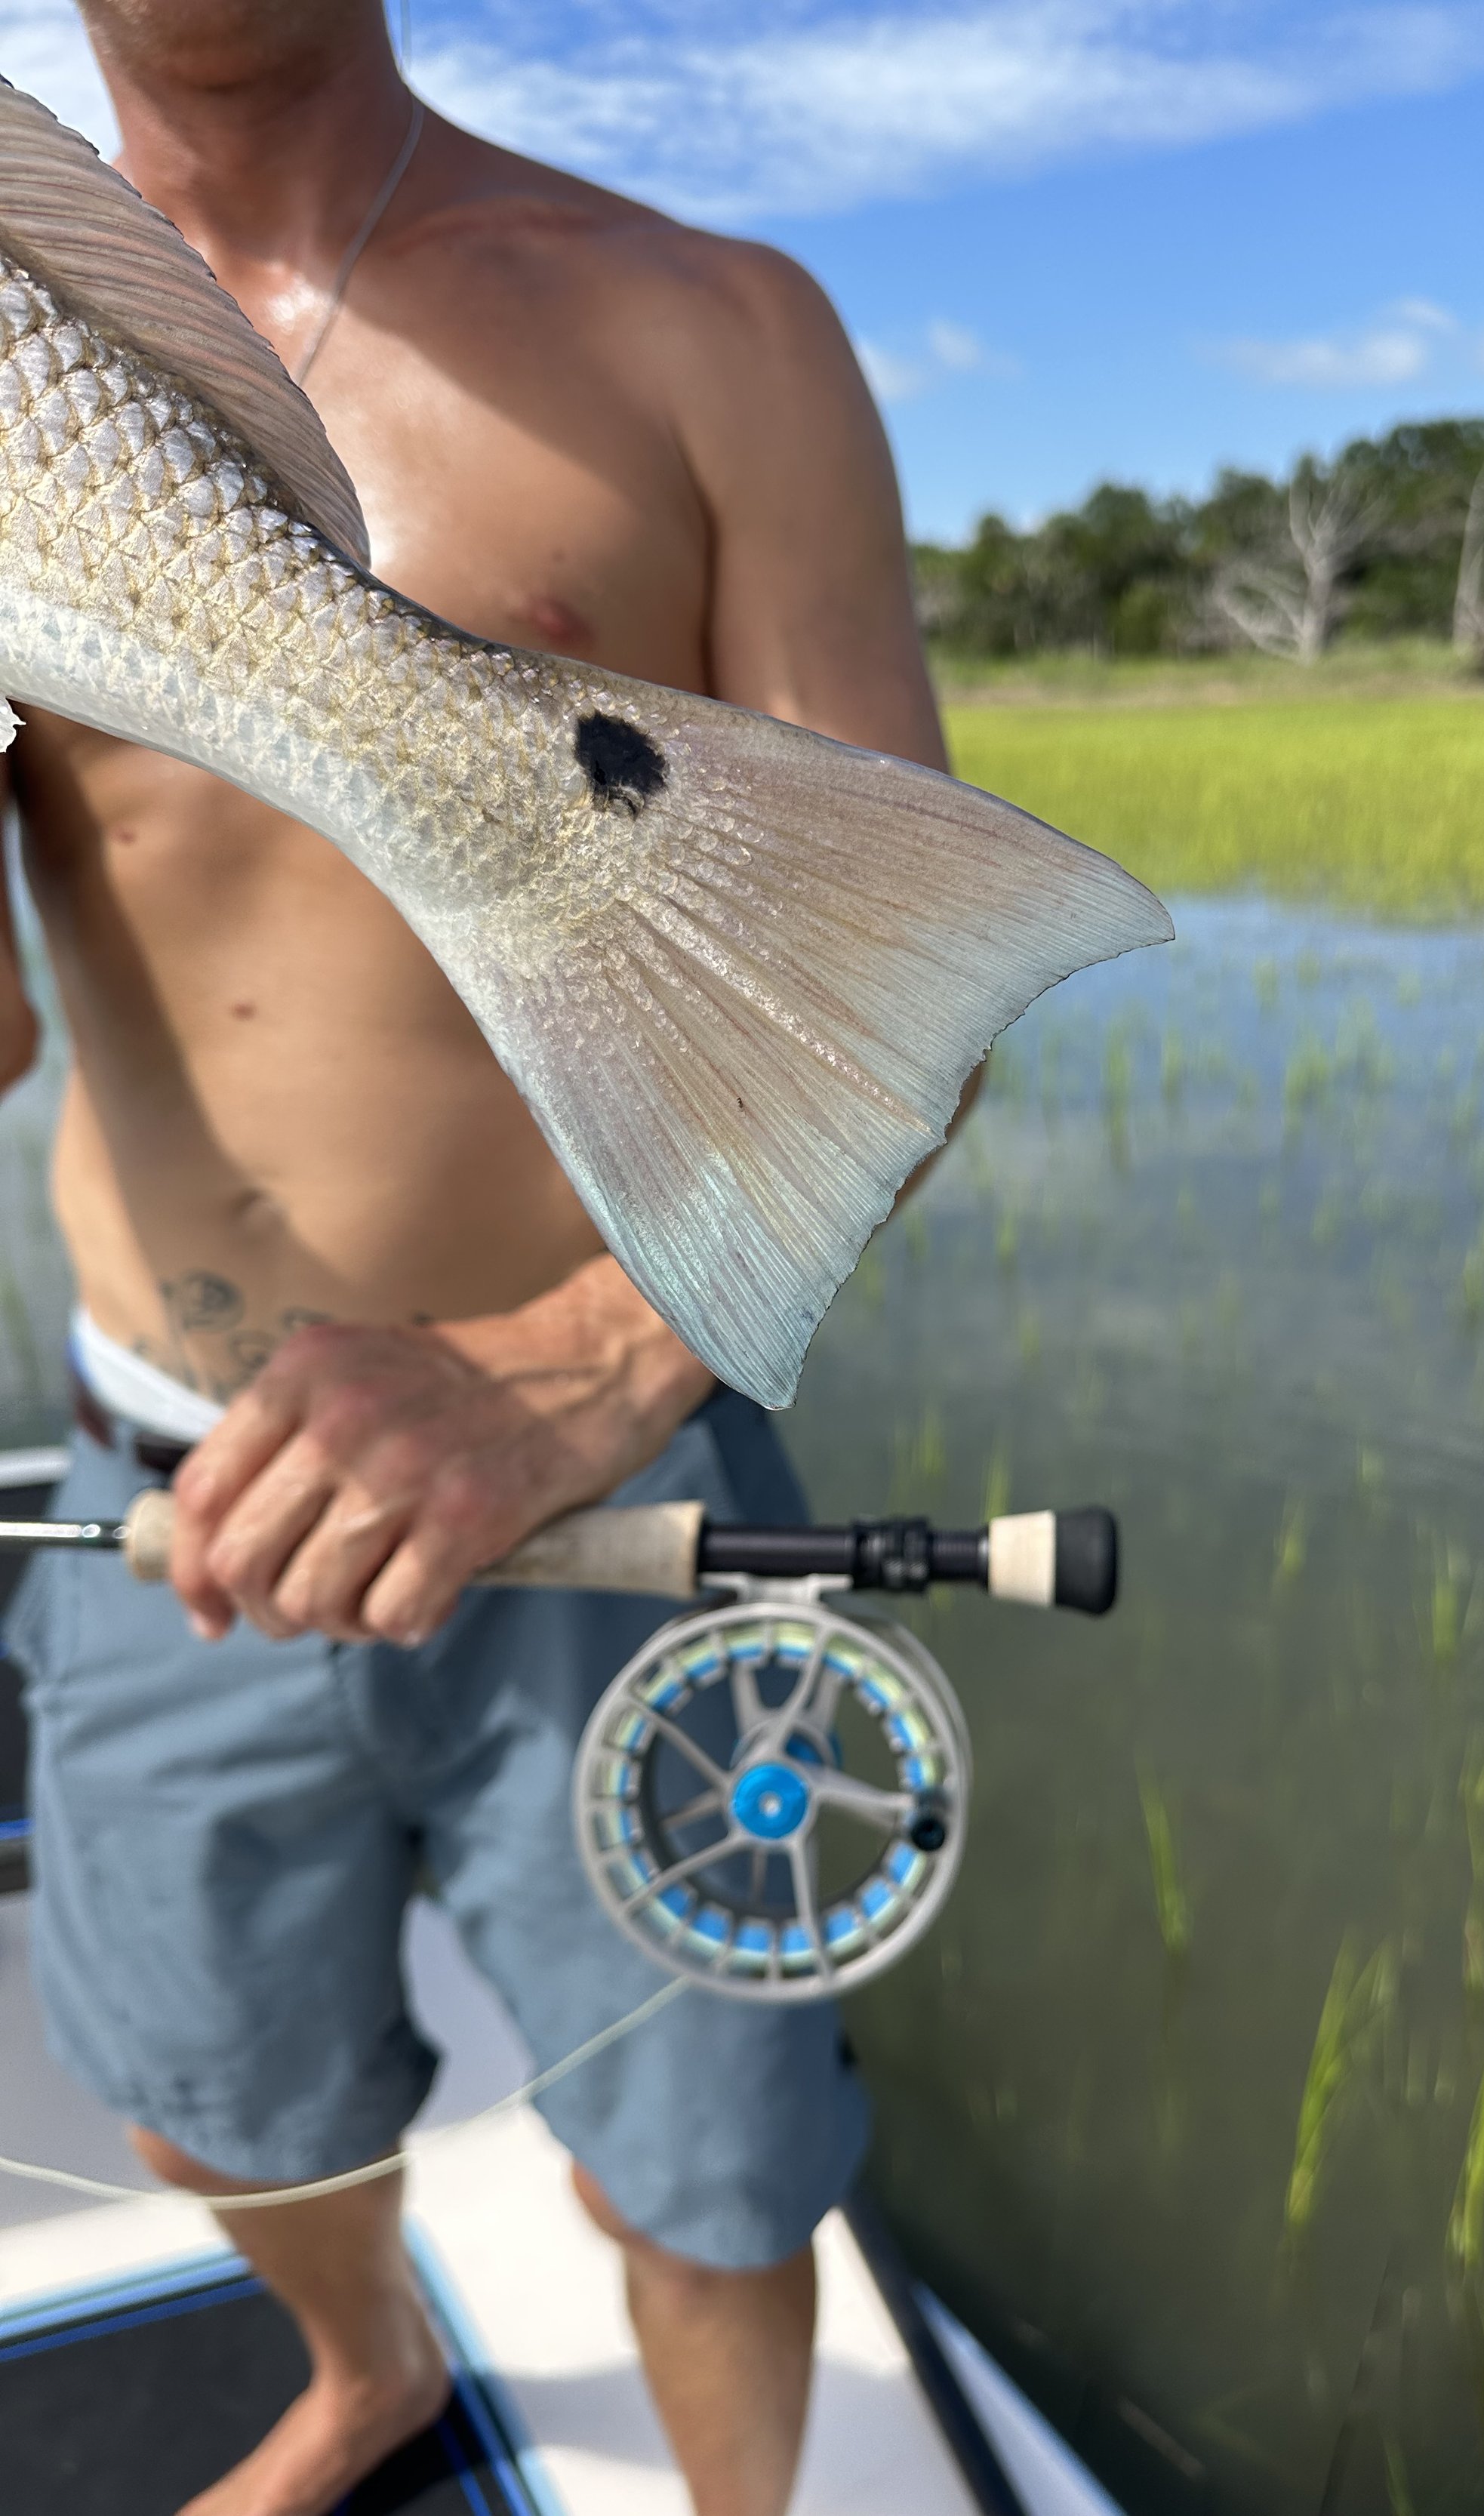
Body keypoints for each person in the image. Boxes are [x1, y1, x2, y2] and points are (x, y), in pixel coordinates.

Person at [0, 6, 956, 2512]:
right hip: (155, 1505)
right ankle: (364, 2376)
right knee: (211, 2102)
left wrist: (572, 1369)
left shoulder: (711, 324)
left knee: (718, 2170)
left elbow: (894, 977)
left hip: (619, 1492)